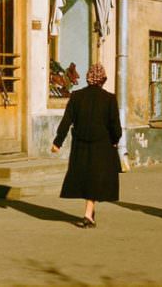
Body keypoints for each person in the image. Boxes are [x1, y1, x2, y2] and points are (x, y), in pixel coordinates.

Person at [51, 63, 121, 229]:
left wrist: (57, 142)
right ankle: (88, 215)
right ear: (103, 79)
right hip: (102, 145)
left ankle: (90, 212)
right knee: (95, 179)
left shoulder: (76, 96)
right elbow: (115, 127)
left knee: (87, 178)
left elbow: (66, 121)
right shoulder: (109, 99)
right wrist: (115, 140)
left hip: (81, 145)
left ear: (88, 78)